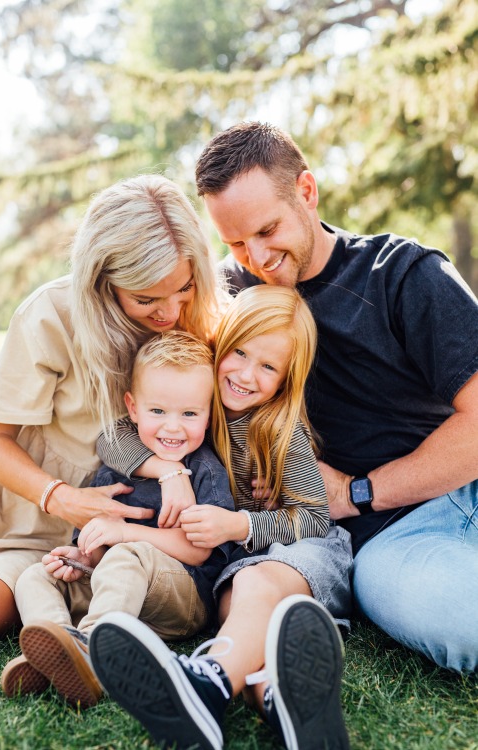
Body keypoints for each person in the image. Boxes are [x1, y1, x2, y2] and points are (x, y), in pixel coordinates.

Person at [190, 121, 478, 674]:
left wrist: (355, 491)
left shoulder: (400, 274)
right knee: (456, 615)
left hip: (460, 481)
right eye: (234, 242)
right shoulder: (231, 297)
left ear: (306, 191)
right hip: (393, 542)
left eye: (267, 230)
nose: (255, 256)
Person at [90, 285, 352, 750]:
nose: (247, 374)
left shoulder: (279, 432)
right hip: (236, 562)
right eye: (240, 352)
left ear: (288, 377)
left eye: (269, 366)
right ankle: (277, 698)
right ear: (221, 344)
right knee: (238, 613)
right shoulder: (195, 398)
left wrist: (243, 525)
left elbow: (314, 516)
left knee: (252, 591)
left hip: (298, 549)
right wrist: (170, 472)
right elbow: (114, 440)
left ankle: (203, 685)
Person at [0, 173, 226, 643]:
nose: (169, 313)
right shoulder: (52, 314)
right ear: (103, 282)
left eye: (184, 288)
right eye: (145, 298)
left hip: (106, 548)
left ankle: (81, 644)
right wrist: (60, 497)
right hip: (15, 524)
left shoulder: (197, 326)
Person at [0, 331, 235, 708]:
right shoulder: (117, 466)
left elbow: (198, 554)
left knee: (129, 554)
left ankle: (94, 654)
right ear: (133, 407)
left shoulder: (204, 469)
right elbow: (93, 544)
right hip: (117, 592)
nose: (172, 427)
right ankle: (57, 646)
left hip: (182, 600)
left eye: (189, 413)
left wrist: (124, 533)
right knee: (35, 574)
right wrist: (80, 559)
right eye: (158, 411)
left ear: (209, 414)